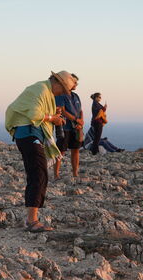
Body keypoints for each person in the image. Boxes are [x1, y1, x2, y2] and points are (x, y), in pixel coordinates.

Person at [5, 70, 75, 232]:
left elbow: (39, 113)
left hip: (29, 134)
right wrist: (52, 118)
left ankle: (32, 218)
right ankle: (32, 221)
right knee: (38, 173)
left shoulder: (44, 90)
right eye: (63, 90)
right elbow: (35, 114)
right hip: (28, 134)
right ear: (57, 83)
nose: (62, 94)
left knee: (38, 173)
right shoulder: (41, 90)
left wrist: (53, 115)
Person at [53, 73, 84, 178]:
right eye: (74, 82)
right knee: (60, 150)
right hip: (64, 127)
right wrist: (76, 120)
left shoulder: (76, 96)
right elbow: (62, 111)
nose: (76, 84)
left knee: (76, 150)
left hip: (75, 128)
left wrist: (81, 122)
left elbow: (80, 111)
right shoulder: (61, 95)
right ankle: (56, 174)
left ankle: (75, 173)